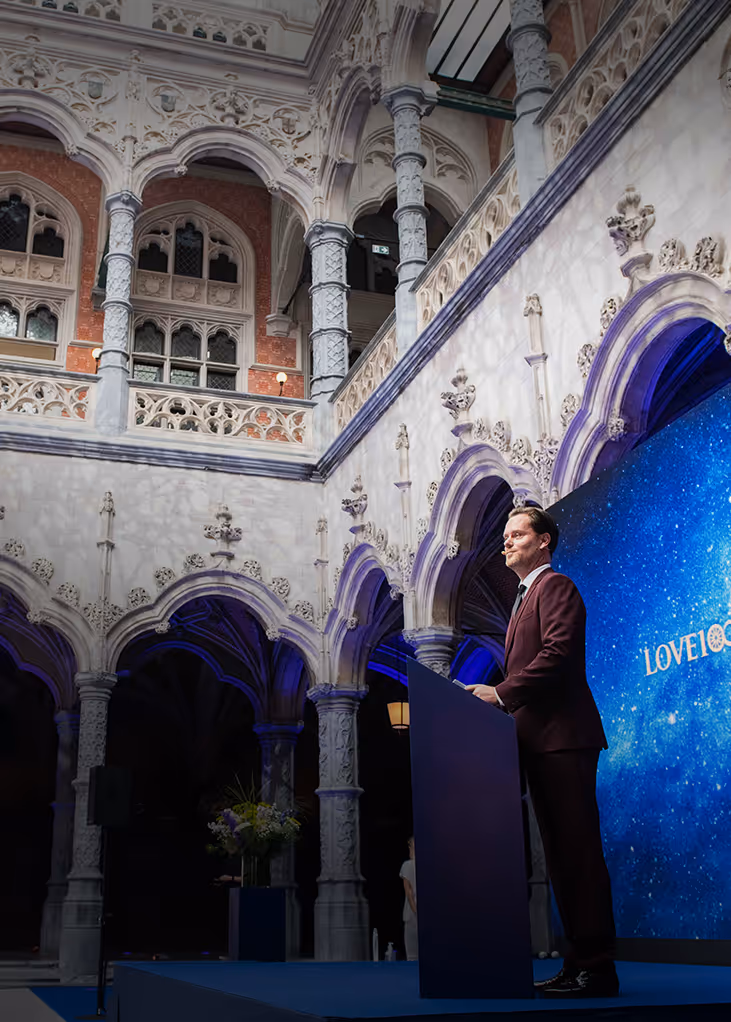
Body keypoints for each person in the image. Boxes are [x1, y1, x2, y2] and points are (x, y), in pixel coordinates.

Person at [466, 506, 618, 999]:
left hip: (563, 739)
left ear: (544, 541)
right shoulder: (522, 598)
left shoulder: (556, 588)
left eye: (516, 534)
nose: (506, 543)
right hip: (539, 742)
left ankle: (596, 968)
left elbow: (557, 656)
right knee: (560, 859)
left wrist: (501, 693)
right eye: (505, 536)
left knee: (578, 855)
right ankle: (578, 963)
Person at [400, 837, 418, 961]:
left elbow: (409, 892)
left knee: (412, 955)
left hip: (413, 915)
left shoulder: (407, 865)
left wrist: (415, 912)